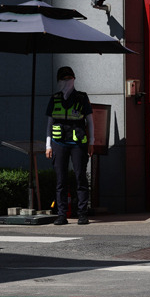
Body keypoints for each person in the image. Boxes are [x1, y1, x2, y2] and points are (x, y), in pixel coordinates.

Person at [45, 66, 94, 225]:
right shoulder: (55, 98)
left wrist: (91, 142)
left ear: (74, 79)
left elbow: (90, 121)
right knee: (61, 180)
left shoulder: (81, 97)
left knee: (80, 177)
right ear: (59, 81)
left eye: (70, 78)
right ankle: (61, 214)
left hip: (78, 143)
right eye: (64, 79)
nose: (67, 81)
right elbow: (49, 124)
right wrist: (48, 145)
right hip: (59, 143)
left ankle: (82, 214)